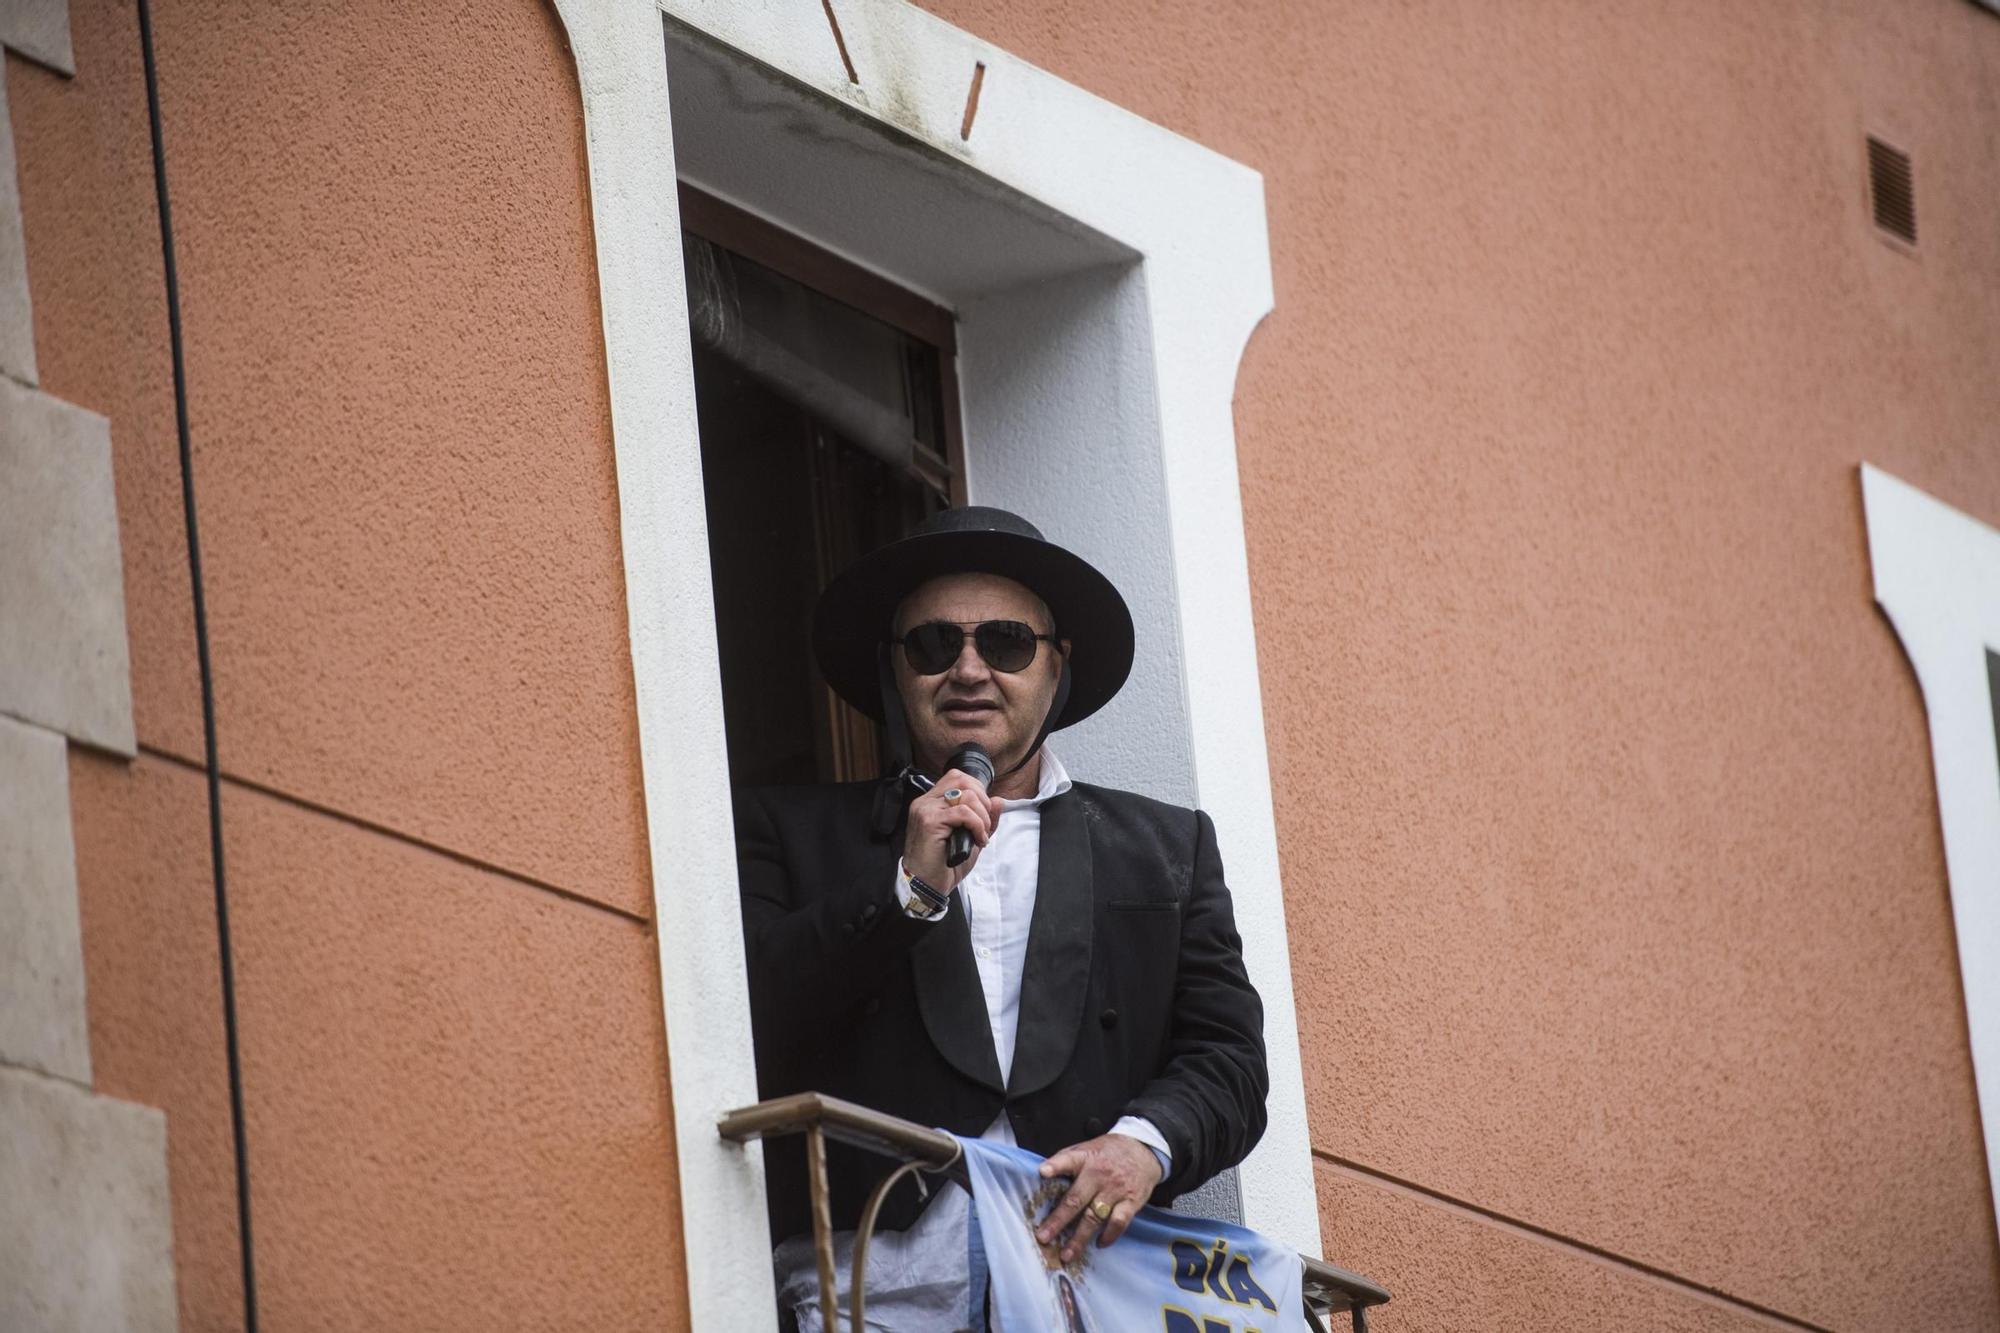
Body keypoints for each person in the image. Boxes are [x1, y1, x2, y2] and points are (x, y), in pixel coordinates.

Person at [736, 506, 1267, 1331]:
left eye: (1007, 643)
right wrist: (907, 888)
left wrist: (1142, 1144)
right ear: (895, 671)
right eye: (934, 645)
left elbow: (1229, 1059)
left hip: (1092, 1294)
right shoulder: (788, 830)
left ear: (1057, 668)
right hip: (876, 1294)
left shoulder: (1165, 846)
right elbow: (747, 1020)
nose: (970, 669)